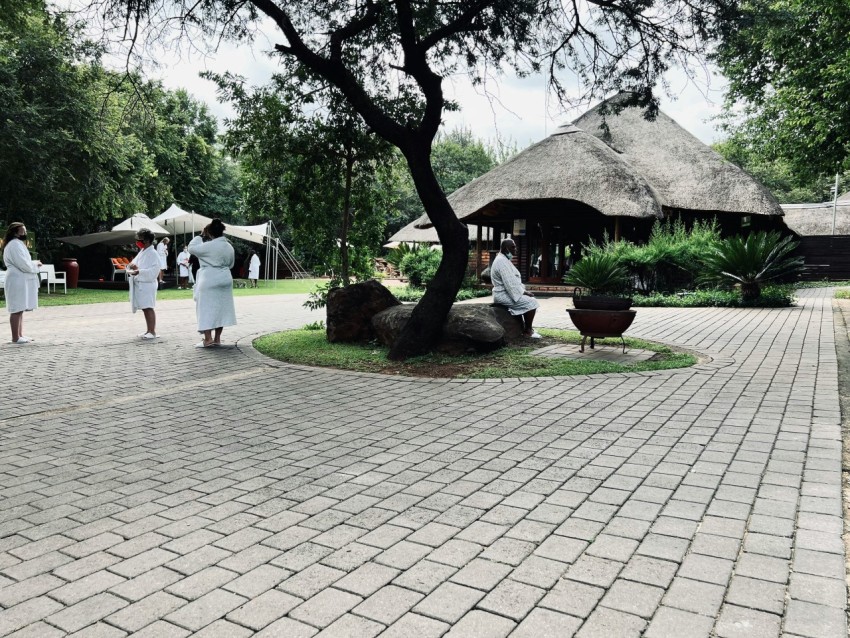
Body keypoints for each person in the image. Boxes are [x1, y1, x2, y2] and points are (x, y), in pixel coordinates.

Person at [188, 218, 236, 348]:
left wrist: (200, 236)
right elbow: (231, 264)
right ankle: (217, 338)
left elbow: (191, 248)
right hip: (225, 278)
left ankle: (208, 339)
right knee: (221, 308)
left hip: (209, 278)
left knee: (205, 309)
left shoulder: (208, 246)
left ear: (209, 232)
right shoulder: (229, 247)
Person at [491, 237, 541, 339]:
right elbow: (510, 284)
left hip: (508, 293)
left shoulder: (504, 259)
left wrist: (524, 291)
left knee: (530, 300)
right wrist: (524, 293)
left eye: (515, 247)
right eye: (513, 247)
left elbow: (513, 281)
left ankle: (526, 328)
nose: (515, 249)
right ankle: (528, 331)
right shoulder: (501, 261)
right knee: (532, 303)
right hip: (502, 295)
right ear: (506, 249)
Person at [3, 222, 42, 344]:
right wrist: (35, 264)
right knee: (16, 308)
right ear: (15, 232)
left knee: (20, 307)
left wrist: (33, 262)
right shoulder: (14, 245)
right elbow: (23, 264)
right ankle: (15, 337)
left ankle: (20, 335)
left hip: (20, 279)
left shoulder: (18, 244)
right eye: (23, 230)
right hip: (16, 280)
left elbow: (23, 261)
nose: (25, 233)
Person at [127, 228, 160, 339]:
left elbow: (154, 271)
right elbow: (135, 264)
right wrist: (133, 267)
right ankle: (148, 330)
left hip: (148, 284)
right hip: (141, 284)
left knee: (149, 307)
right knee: (144, 307)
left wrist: (139, 271)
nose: (137, 242)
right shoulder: (142, 252)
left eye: (139, 239)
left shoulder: (153, 253)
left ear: (146, 240)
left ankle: (152, 331)